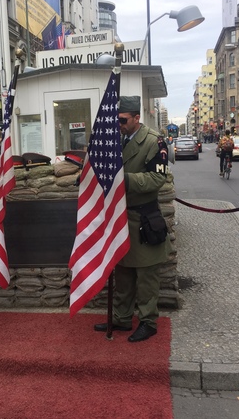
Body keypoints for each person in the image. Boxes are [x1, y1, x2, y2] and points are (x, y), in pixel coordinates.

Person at [93, 95, 171, 343]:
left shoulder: (153, 142)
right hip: (120, 217)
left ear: (137, 118)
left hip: (143, 218)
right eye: (116, 121)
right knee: (123, 274)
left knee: (147, 277)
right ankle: (122, 317)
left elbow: (157, 180)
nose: (119, 125)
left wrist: (124, 179)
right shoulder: (115, 139)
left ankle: (148, 322)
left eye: (123, 120)